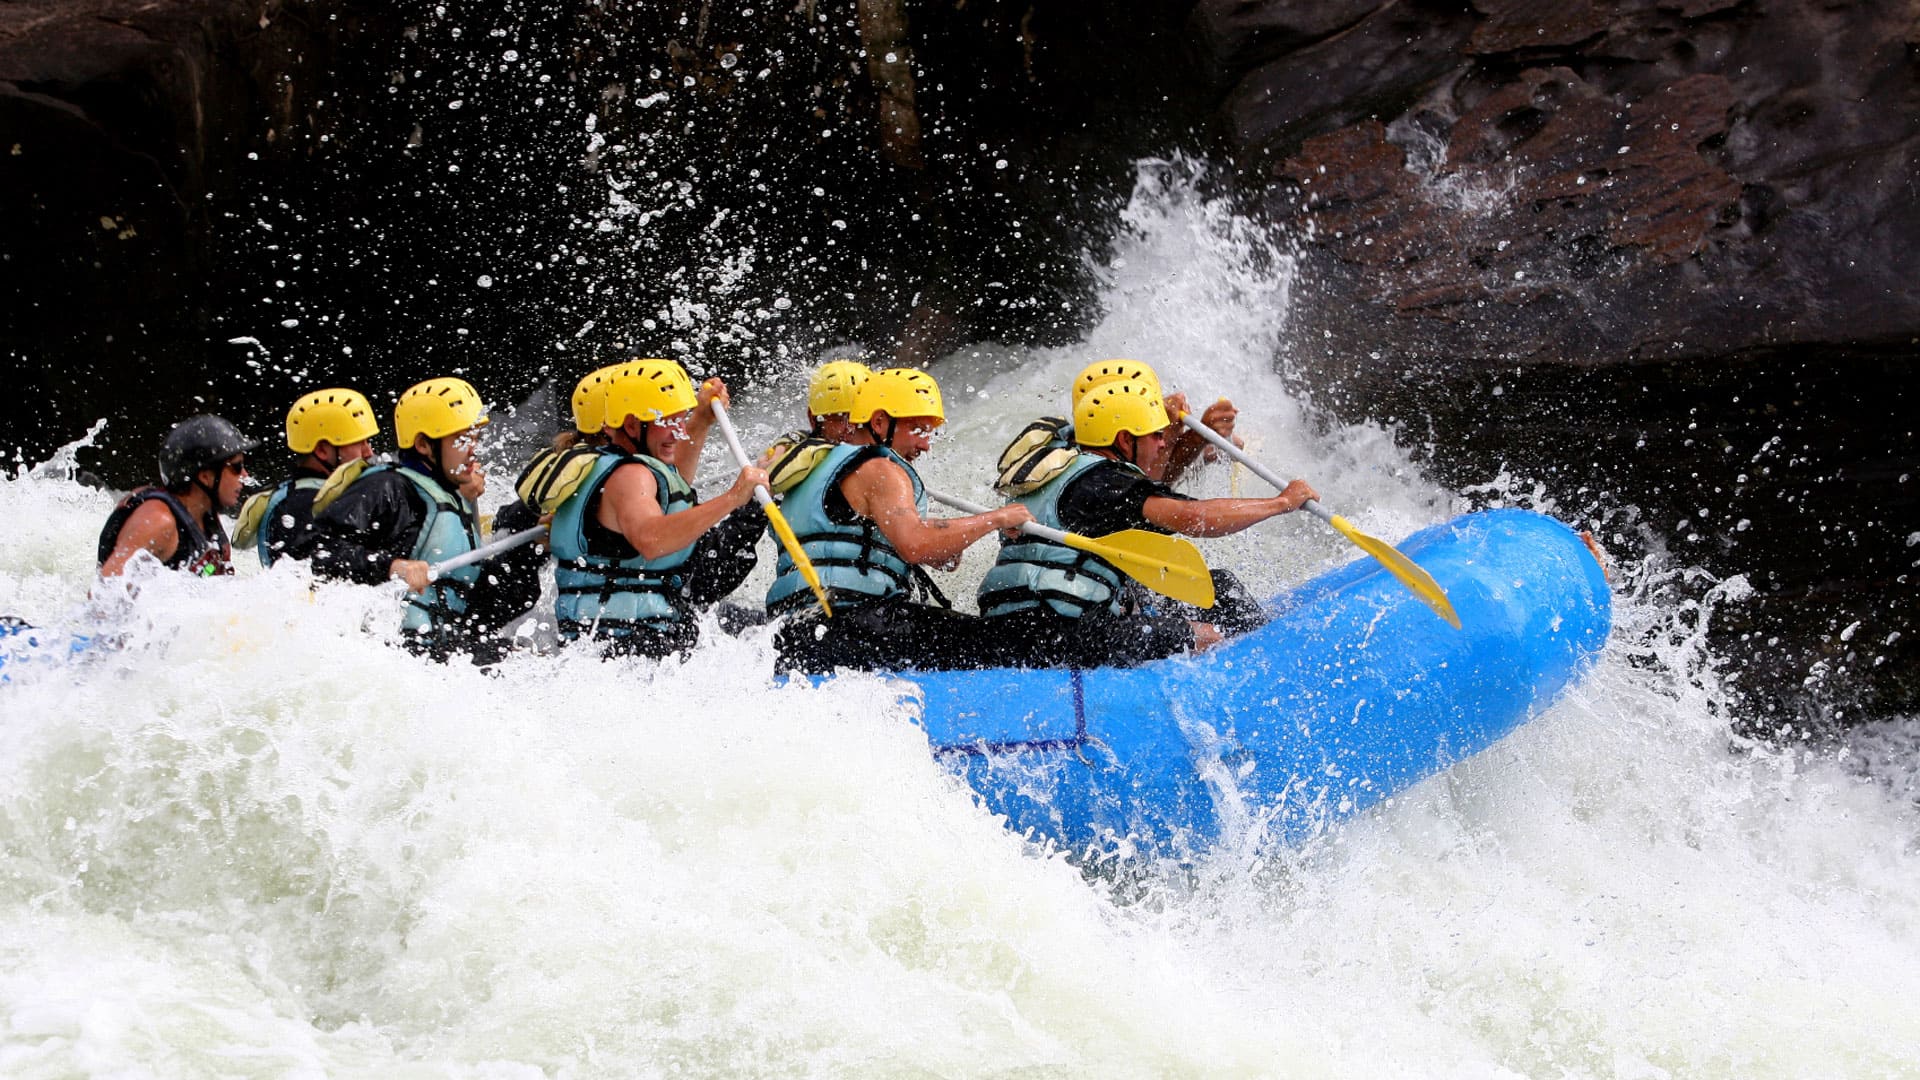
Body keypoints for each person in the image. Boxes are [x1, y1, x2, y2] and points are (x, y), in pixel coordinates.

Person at [977, 379, 1318, 668]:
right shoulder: (1104, 483)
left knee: (1220, 587)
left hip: (1025, 621)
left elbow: (1154, 488)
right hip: (1065, 631)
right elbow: (1194, 519)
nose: (1162, 441)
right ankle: (1273, 671)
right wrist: (1282, 502)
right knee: (1205, 635)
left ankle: (1275, 652)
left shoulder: (1060, 465)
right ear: (1125, 440)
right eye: (1156, 435)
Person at [768, 367, 1034, 674]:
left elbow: (877, 532)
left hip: (793, 632)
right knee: (1009, 642)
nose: (925, 445)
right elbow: (915, 545)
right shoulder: (880, 469)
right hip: (853, 624)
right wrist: (997, 518)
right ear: (880, 421)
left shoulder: (813, 466)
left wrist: (946, 541)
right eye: (919, 429)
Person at [291, 377, 536, 661]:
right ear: (423, 444)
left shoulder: (448, 499)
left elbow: (483, 606)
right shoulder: (388, 488)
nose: (473, 449)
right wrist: (393, 567)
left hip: (439, 651)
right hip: (397, 656)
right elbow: (311, 553)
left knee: (529, 661)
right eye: (462, 438)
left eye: (475, 438)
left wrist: (533, 549)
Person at [547, 359, 769, 657]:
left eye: (681, 420)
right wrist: (733, 498)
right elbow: (652, 539)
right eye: (669, 421)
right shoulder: (628, 475)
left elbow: (673, 485)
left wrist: (701, 419)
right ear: (631, 425)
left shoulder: (615, 466)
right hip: (627, 649)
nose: (678, 433)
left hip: (615, 645)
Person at [992, 358, 1239, 493]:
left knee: (1210, 451)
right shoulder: (1096, 478)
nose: (1161, 439)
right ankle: (1209, 454)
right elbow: (1152, 489)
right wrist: (1176, 433)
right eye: (1155, 433)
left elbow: (1149, 473)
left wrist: (1196, 437)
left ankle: (1210, 454)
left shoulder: (1070, 442)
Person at [98, 414, 258, 578]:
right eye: (237, 467)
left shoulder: (207, 519)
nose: (245, 476)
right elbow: (106, 591)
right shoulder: (158, 522)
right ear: (206, 476)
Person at [239, 388, 380, 567]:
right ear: (322, 450)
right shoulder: (301, 506)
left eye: (368, 442)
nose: (369, 452)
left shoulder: (303, 495)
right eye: (360, 443)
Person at [757, 359, 871, 493]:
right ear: (813, 418)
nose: (850, 428)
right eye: (838, 417)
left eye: (859, 417)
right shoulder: (802, 454)